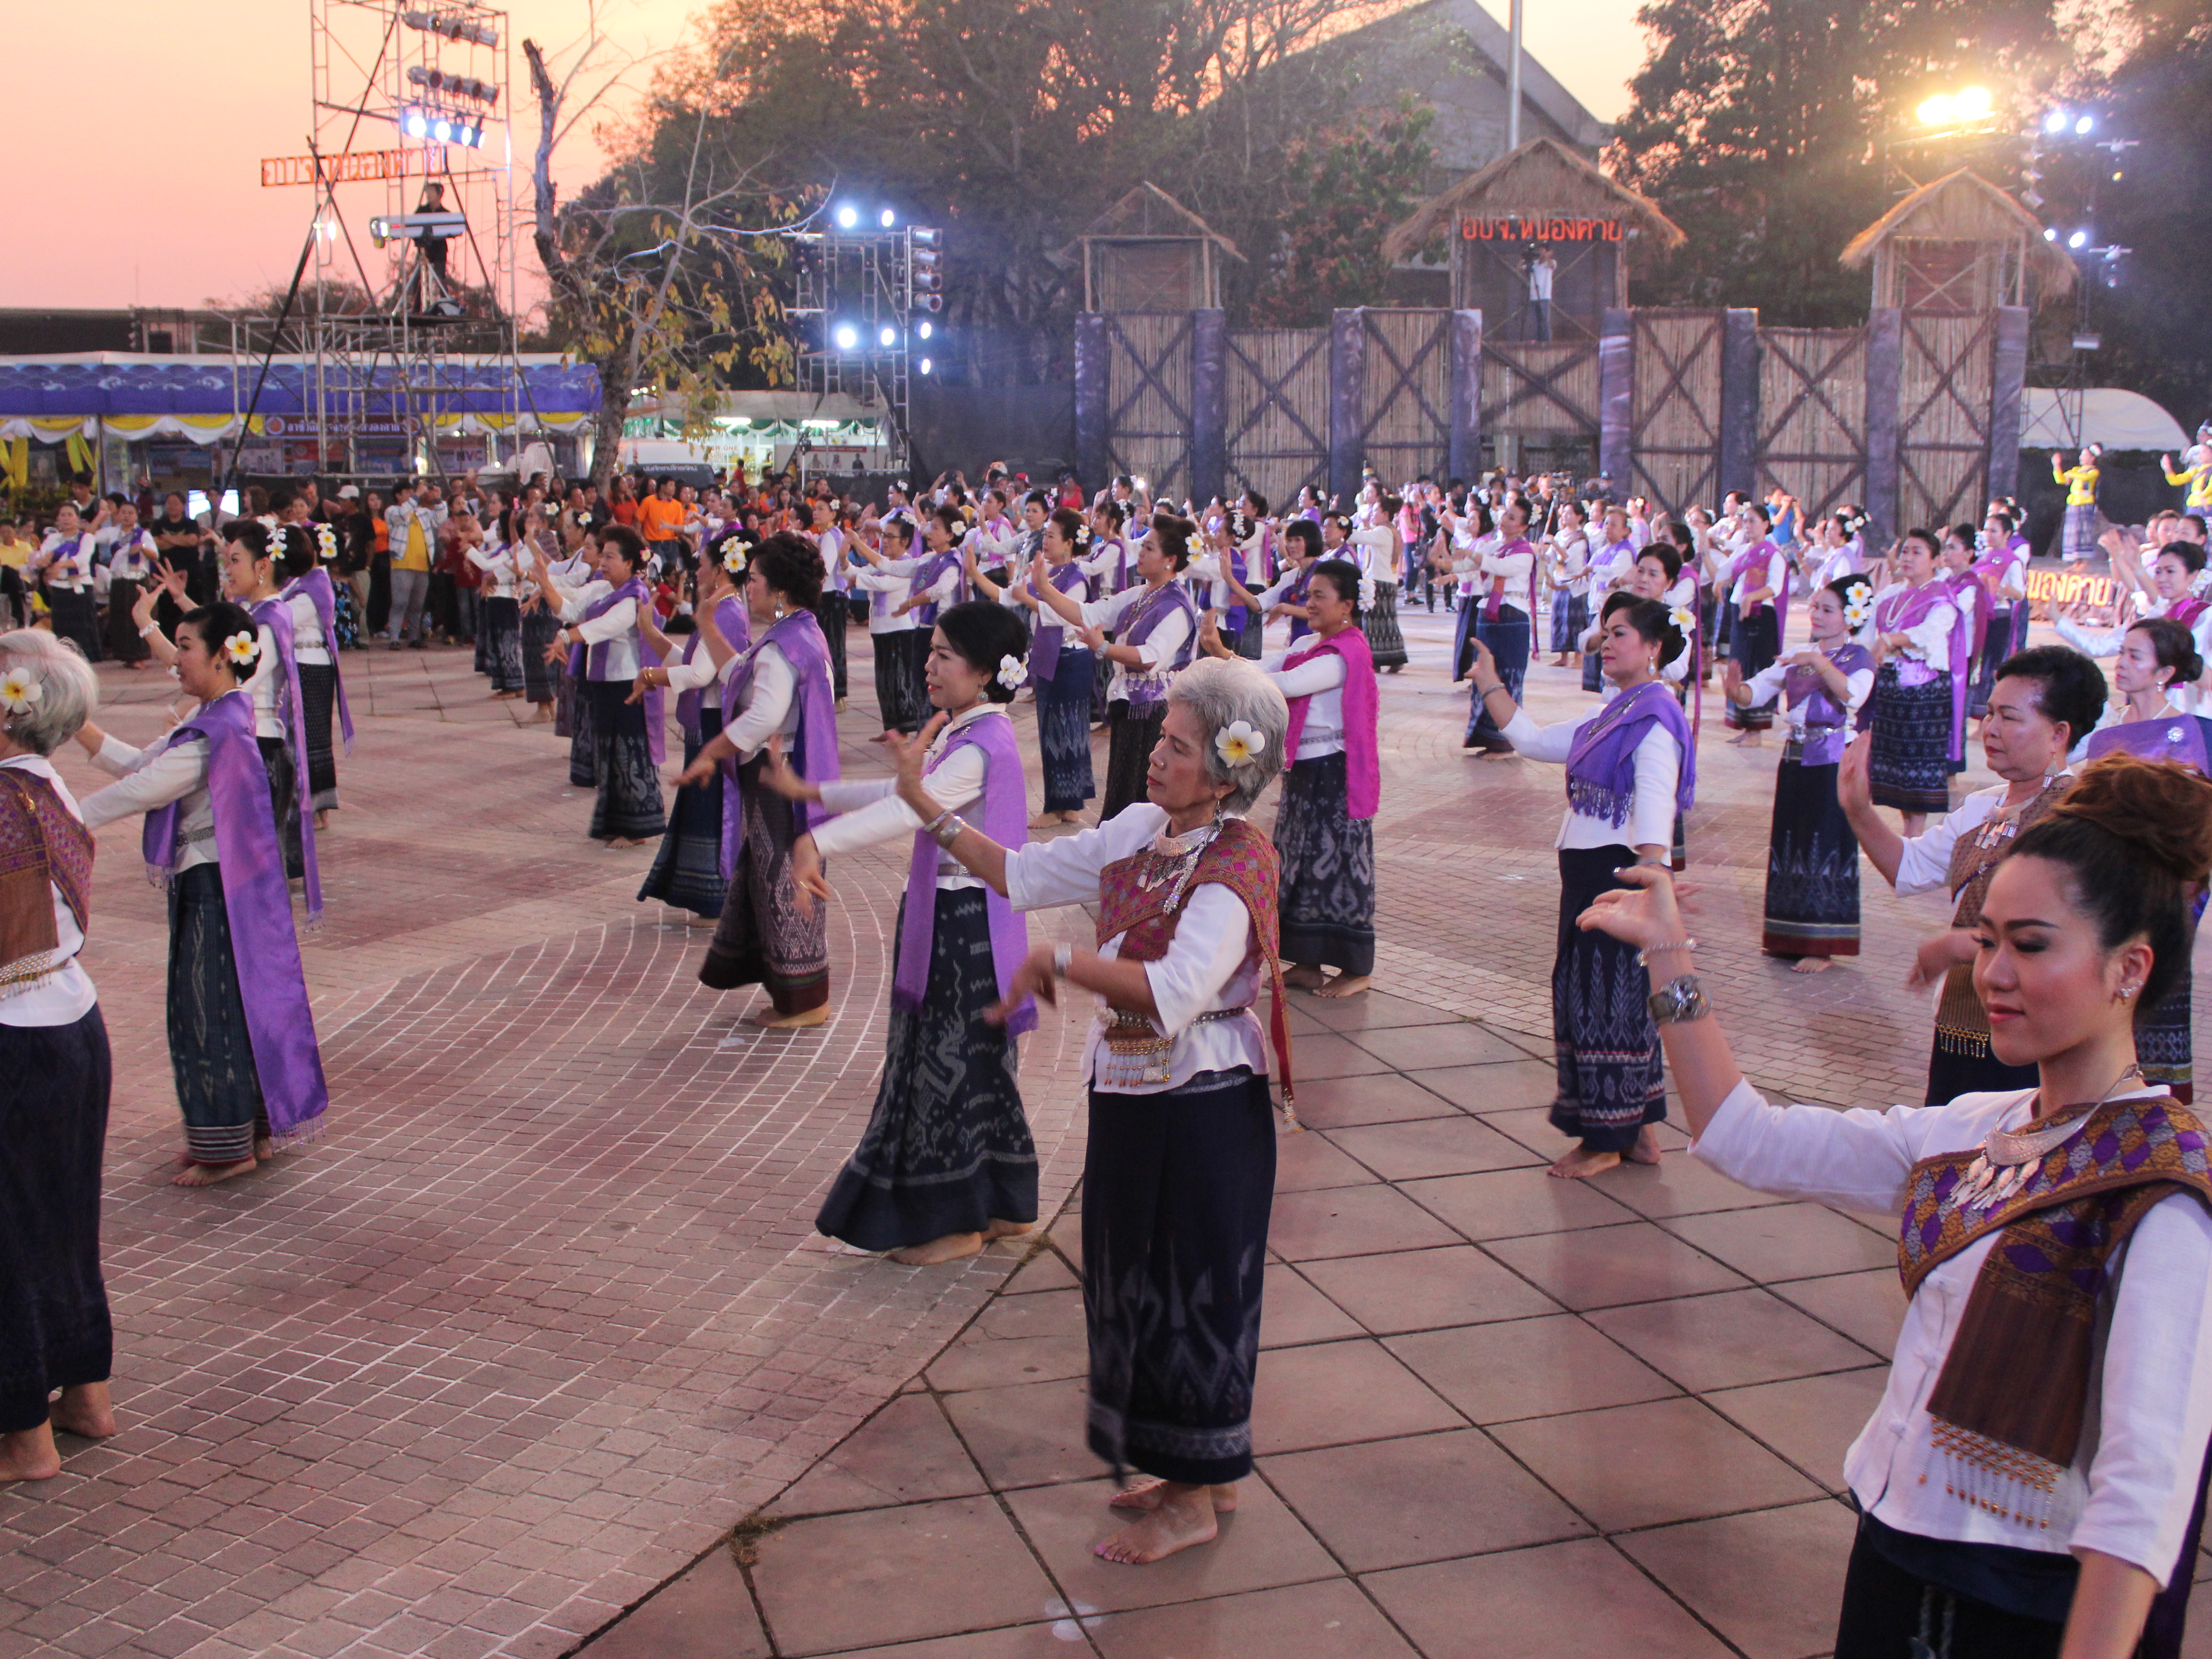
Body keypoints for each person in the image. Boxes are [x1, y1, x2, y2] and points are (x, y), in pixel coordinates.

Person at [1577, 754, 2212, 1659]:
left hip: (2024, 1605)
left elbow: (2142, 1499)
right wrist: (1666, 955)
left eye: (2029, 945)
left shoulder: (2162, 1195)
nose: (1991, 972)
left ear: (2128, 968)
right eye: (1983, 939)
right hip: (1893, 1553)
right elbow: (1744, 1133)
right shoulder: (1968, 1129)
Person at [891, 656, 1296, 1566]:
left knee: (1192, 1289)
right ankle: (1199, 1470)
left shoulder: (1236, 863)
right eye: (1161, 737)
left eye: (1179, 747)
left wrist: (1062, 964)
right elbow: (1026, 874)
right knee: (1141, 1284)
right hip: (1133, 1093)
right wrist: (925, 808)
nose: (1155, 757)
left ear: (1228, 771)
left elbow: (1177, 989)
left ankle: (1193, 1496)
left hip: (1201, 1108)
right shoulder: (1142, 828)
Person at [769, 601, 1040, 1263]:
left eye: (944, 654)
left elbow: (908, 808)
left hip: (962, 929)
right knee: (976, 1067)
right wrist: (817, 792)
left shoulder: (981, 748)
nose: (929, 664)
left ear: (983, 671)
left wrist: (815, 843)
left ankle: (954, 1221)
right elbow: (906, 790)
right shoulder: (967, 732)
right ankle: (1003, 1203)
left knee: (945, 1069)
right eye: (932, 651)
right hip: (964, 923)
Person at [76, 599, 329, 1186]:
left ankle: (227, 1147)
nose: (177, 660)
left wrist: (58, 816)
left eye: (186, 646)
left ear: (222, 657)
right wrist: (75, 726)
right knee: (236, 1008)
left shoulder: (216, 732)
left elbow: (140, 789)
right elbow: (143, 765)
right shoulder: (217, 719)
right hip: (221, 888)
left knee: (206, 1011)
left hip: (215, 890)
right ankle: (250, 1132)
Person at [1468, 598, 1693, 1178]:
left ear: (1653, 649)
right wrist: (1491, 684)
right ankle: (1637, 1131)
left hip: (1617, 880)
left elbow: (1655, 803)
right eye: (1605, 632)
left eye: (1620, 634)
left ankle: (1604, 1140)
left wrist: (1651, 884)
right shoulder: (1612, 714)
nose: (1608, 642)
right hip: (1593, 879)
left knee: (1606, 1007)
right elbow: (1537, 740)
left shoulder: (1653, 718)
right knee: (1607, 1001)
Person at [1841, 645, 2108, 1104]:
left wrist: (1960, 945)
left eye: (2010, 717)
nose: (1991, 729)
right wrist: (1860, 812)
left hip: (2035, 1029)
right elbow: (1911, 869)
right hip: (1964, 1019)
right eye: (1989, 715)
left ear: (2058, 734)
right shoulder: (1984, 806)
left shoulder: (2076, 818)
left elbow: (2065, 934)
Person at [0, 631, 114, 1484]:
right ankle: (85, 1396)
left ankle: (22, 1438)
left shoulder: (6, 800)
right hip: (72, 1022)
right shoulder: (48, 787)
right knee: (65, 1221)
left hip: (16, 1036)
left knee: (10, 1232)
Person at [676, 533, 839, 1027]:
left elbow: (762, 714)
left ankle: (804, 1002)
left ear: (780, 590)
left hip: (777, 781)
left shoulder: (782, 645)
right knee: (778, 881)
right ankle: (800, 995)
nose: (748, 589)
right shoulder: (800, 633)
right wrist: (706, 623)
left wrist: (713, 750)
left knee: (781, 884)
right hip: (796, 774)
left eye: (754, 581)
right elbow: (742, 675)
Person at [1207, 556, 1378, 998]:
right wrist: (1227, 658)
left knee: (1339, 865)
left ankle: (1357, 970)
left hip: (1337, 775)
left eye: (1321, 596)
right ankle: (1306, 962)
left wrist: (1225, 657)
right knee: (1298, 861)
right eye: (1309, 595)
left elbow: (1290, 684)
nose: (1310, 603)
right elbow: (1269, 666)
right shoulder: (1314, 645)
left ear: (1348, 605)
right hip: (1308, 770)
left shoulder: (1346, 652)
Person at [2079, 617, 2211, 1102]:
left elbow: (2195, 828)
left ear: (2165, 671)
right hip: (2107, 885)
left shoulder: (2189, 734)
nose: (2123, 663)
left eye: (2136, 655)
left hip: (2162, 890)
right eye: (2123, 651)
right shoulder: (2107, 730)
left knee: (2154, 992)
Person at [1725, 576, 1876, 971]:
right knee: (1789, 842)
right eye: (1815, 608)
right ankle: (1787, 935)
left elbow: (1854, 696)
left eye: (1828, 609)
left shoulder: (1859, 657)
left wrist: (1819, 662)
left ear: (1850, 617)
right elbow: (1756, 692)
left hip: (1832, 762)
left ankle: (1821, 944)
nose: (1818, 615)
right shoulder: (1799, 654)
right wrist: (1735, 688)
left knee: (1825, 844)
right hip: (1794, 759)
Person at [1033, 512, 1198, 823]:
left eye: (1149, 548)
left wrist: (1103, 647)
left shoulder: (1175, 605)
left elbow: (1150, 656)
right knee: (1122, 788)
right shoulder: (1141, 594)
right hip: (1129, 702)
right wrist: (1044, 588)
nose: (1141, 553)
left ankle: (1134, 858)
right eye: (1143, 546)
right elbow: (1091, 612)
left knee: (1140, 791)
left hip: (1154, 710)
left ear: (1170, 560)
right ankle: (1118, 854)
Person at [632, 543, 751, 922]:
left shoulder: (727, 611)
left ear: (720, 570)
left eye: (700, 565)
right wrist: (651, 632)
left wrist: (649, 676)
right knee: (703, 808)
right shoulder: (721, 609)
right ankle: (710, 896)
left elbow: (700, 675)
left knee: (710, 809)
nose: (694, 572)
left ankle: (717, 896)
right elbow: (690, 665)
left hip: (714, 721)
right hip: (705, 721)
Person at [536, 525, 667, 847]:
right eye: (603, 555)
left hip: (627, 684)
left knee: (627, 755)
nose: (604, 562)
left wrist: (566, 636)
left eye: (610, 556)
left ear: (630, 563)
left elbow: (606, 627)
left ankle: (637, 829)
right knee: (607, 754)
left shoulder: (636, 595)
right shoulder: (603, 590)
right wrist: (544, 583)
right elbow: (570, 609)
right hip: (603, 683)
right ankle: (616, 824)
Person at [982, 508, 1097, 826]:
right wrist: (975, 576)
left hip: (1071, 660)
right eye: (1044, 535)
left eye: (1051, 536)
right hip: (1050, 657)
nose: (1044, 541)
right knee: (1052, 731)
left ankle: (1065, 804)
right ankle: (1061, 803)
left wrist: (1030, 598)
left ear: (1070, 543)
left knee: (1070, 730)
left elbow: (1065, 617)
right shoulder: (1046, 572)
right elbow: (1010, 596)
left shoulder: (1076, 578)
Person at [1865, 529, 1967, 837]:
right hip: (1891, 687)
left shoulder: (1942, 596)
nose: (1907, 558)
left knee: (1917, 767)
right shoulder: (1891, 594)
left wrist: (1891, 639)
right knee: (1896, 765)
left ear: (1937, 560)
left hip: (1924, 691)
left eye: (1917, 552)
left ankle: (1915, 837)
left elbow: (1930, 633)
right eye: (1905, 551)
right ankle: (1909, 834)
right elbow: (1865, 626)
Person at [273, 526, 353, 831]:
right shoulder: (300, 583)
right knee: (303, 735)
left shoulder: (315, 584)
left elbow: (283, 617)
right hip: (304, 665)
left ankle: (315, 807)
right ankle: (308, 805)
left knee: (312, 737)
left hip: (311, 666)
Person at [1464, 498, 1539, 755]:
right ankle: (1486, 735)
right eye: (1506, 514)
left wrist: (1470, 555)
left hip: (1512, 616)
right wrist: (1446, 565)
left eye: (1513, 518)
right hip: (1488, 612)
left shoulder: (1525, 552)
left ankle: (1506, 739)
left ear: (1523, 527)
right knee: (1485, 672)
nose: (1505, 520)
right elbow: (1472, 567)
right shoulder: (1495, 545)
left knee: (1507, 676)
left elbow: (1498, 568)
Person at [1721, 504, 1787, 745]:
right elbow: (1722, 573)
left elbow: (1775, 587)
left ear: (1766, 524)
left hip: (1761, 617)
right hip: (1740, 614)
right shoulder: (1742, 550)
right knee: (1739, 667)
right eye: (1745, 521)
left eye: (1753, 521)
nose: (1748, 526)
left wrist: (1752, 597)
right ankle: (1744, 726)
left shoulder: (1773, 554)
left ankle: (1756, 731)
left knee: (1756, 669)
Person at [37, 503, 103, 663]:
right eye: (63, 515)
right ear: (58, 519)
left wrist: (60, 565)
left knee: (83, 624)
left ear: (77, 518)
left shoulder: (86, 538)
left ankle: (87, 657)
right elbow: (43, 556)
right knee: (61, 625)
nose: (66, 519)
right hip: (59, 587)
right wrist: (43, 562)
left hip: (79, 586)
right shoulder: (53, 539)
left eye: (70, 515)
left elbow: (82, 559)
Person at [2054, 445, 2103, 562]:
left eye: (2085, 455)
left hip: (2085, 503)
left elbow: (2085, 477)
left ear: (2092, 458)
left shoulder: (2094, 471)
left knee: (2083, 530)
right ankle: (2075, 560)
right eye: (2081, 455)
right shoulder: (2076, 470)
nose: (2081, 457)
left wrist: (2071, 474)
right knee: (2073, 531)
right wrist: (2057, 466)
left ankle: (2084, 561)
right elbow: (2061, 480)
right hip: (2073, 503)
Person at [1527, 244, 1556, 342]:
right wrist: (1524, 259)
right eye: (1540, 251)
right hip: (1534, 296)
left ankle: (1547, 342)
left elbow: (1552, 265)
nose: (1541, 253)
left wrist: (1547, 256)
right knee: (1536, 322)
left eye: (1543, 251)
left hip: (1545, 296)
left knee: (1545, 321)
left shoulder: (1551, 263)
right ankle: (1538, 341)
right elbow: (1519, 269)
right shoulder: (1534, 264)